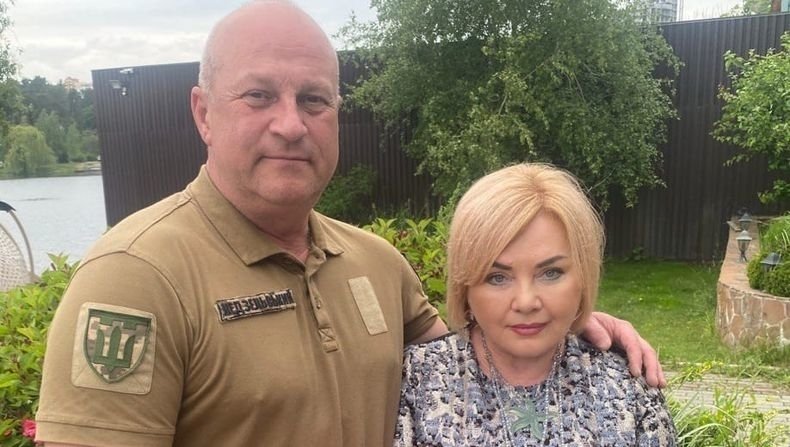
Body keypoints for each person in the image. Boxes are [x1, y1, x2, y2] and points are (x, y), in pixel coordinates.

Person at [36, 2, 663, 446]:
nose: (290, 124)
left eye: (314, 99)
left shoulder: (375, 263)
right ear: (203, 113)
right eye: (258, 96)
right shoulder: (136, 278)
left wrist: (573, 321)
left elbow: (479, 349)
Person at [394, 163, 677, 446]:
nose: (526, 302)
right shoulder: (416, 382)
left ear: (584, 276)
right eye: (497, 277)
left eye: (550, 273)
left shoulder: (627, 387)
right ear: (464, 287)